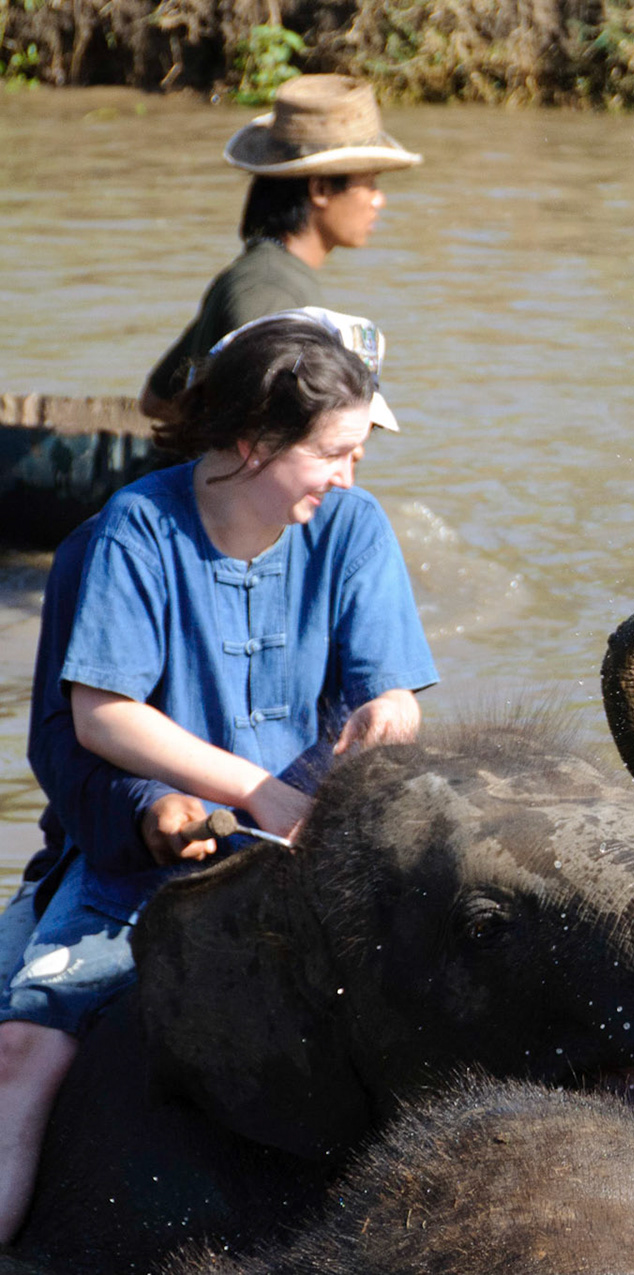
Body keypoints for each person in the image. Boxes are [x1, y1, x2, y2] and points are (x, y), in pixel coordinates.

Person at [0, 314, 438, 1241]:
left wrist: (390, 714)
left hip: (320, 859)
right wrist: (256, 793)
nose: (349, 476)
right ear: (254, 445)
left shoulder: (353, 528)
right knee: (24, 1048)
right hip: (147, 868)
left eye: (357, 453)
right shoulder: (133, 532)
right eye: (334, 453)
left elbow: (391, 690)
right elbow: (99, 716)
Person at [139, 74, 420, 417]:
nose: (380, 201)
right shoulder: (270, 292)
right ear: (320, 189)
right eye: (370, 184)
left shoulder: (262, 274)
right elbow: (267, 430)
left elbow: (157, 399)